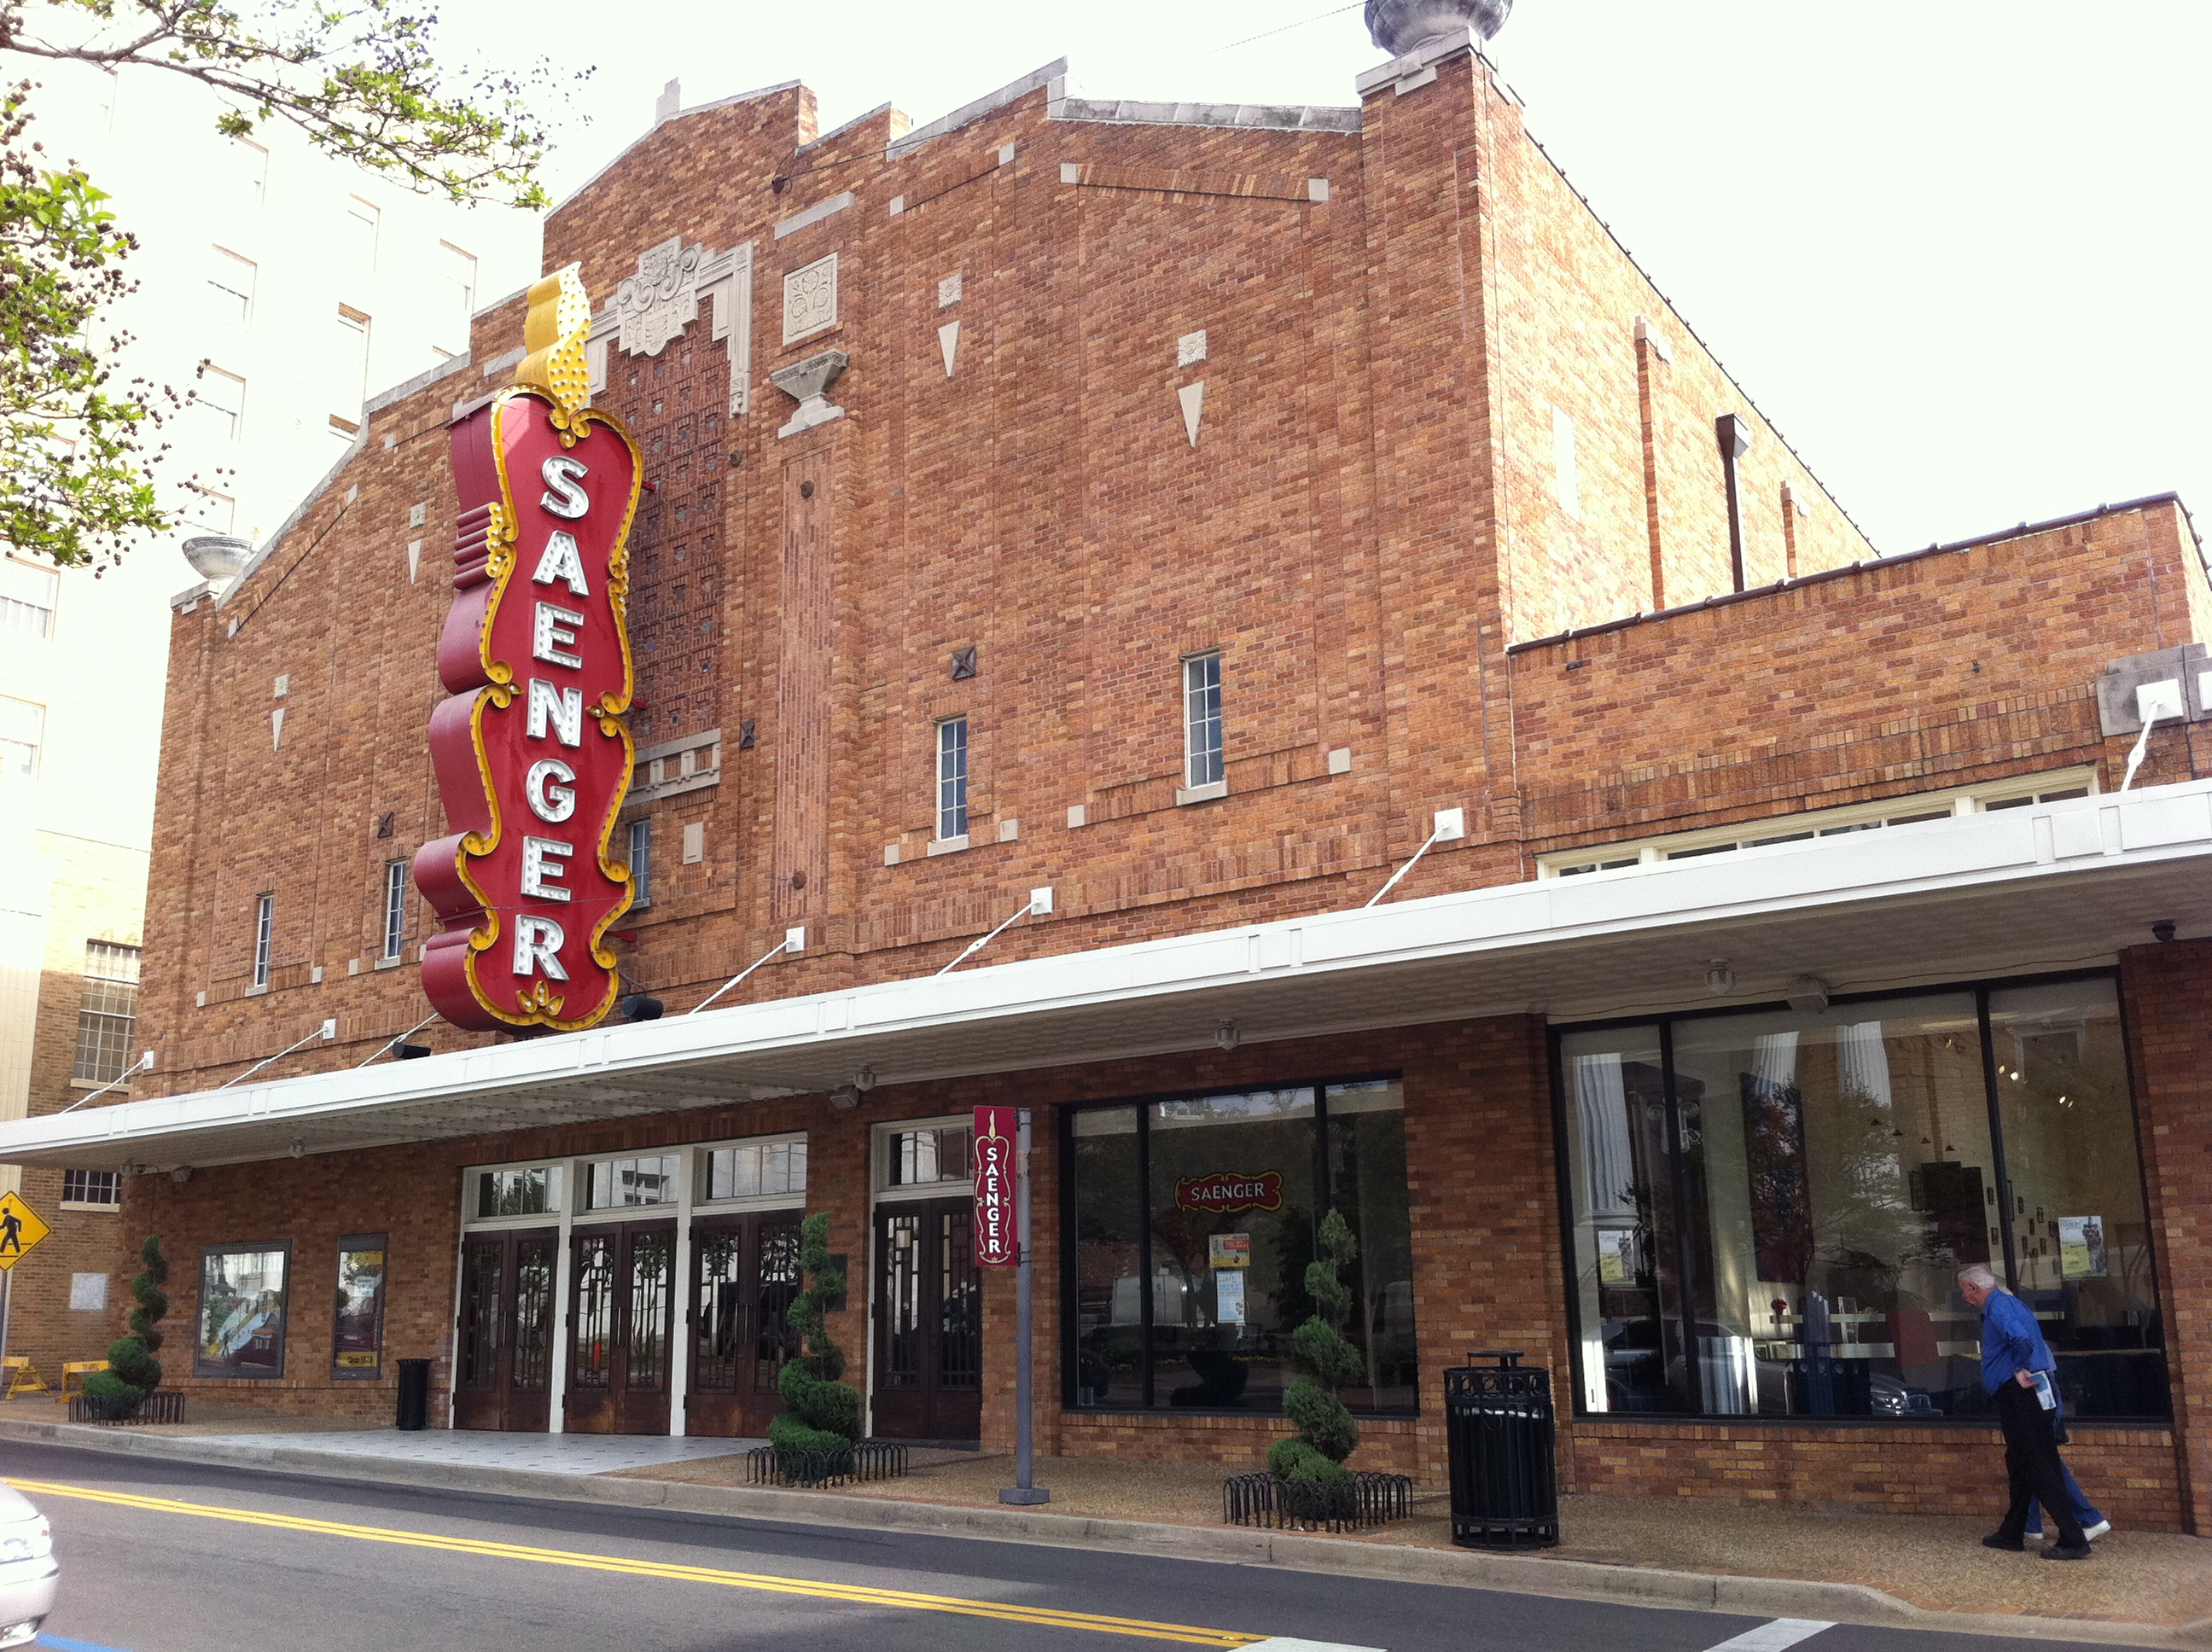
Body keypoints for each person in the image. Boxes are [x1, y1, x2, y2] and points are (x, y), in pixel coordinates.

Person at [1959, 1263, 2091, 1560]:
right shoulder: (2009, 1303)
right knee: (2019, 1463)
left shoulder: (1998, 1307)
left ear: (1974, 1288)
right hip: (2028, 1394)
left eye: (1966, 1293)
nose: (1967, 1299)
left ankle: (2073, 1538)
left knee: (2039, 1463)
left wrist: (2019, 1367)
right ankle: (2011, 1533)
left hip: (2020, 1395)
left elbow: (2021, 1339)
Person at [2023, 1395, 2112, 1544]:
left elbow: (2038, 1375)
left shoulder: (2034, 1372)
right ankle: (2031, 1526)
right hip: (2040, 1410)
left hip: (2037, 1412)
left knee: (2047, 1465)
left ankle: (2090, 1518)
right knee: (2030, 1465)